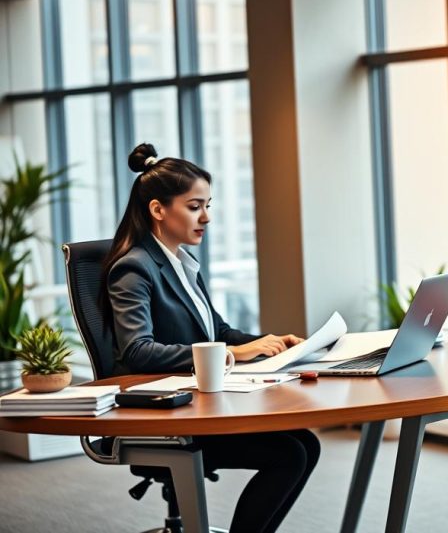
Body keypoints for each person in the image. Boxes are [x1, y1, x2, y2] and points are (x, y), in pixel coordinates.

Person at [101, 143, 320, 533]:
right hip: (162, 414)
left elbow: (216, 332)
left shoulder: (182, 263)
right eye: (195, 206)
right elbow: (137, 350)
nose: (207, 217)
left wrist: (272, 343)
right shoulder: (134, 269)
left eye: (208, 205)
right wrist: (233, 353)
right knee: (289, 454)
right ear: (158, 209)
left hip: (198, 403)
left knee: (306, 444)